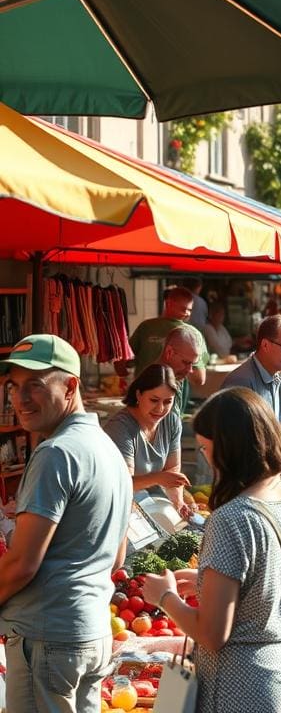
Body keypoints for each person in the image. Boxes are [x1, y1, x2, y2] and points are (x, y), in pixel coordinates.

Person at [142, 388, 281, 713]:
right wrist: (205, 578)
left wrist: (164, 598)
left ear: (229, 449)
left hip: (245, 681)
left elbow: (212, 634)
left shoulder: (232, 518)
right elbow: (270, 575)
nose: (206, 458)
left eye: (207, 448)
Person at [0, 335, 132, 713]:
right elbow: (117, 557)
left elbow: (22, 563)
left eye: (34, 385)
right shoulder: (107, 448)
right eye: (14, 386)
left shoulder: (56, 453)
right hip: (91, 633)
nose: (20, 399)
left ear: (70, 386)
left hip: (48, 636)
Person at [103, 364, 190, 514]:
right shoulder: (120, 427)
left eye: (167, 402)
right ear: (138, 395)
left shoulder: (172, 422)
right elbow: (123, 484)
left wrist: (178, 503)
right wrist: (158, 478)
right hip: (118, 506)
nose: (160, 409)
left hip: (151, 503)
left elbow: (173, 471)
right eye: (154, 400)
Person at [220, 315, 281, 443]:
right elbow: (234, 437)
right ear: (265, 345)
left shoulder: (277, 376)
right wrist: (278, 431)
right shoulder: (240, 382)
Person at [117, 285, 209, 384]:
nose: (187, 313)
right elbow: (199, 379)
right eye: (183, 309)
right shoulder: (194, 334)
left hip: (146, 389)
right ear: (168, 304)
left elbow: (121, 365)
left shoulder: (147, 326)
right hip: (169, 390)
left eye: (189, 310)